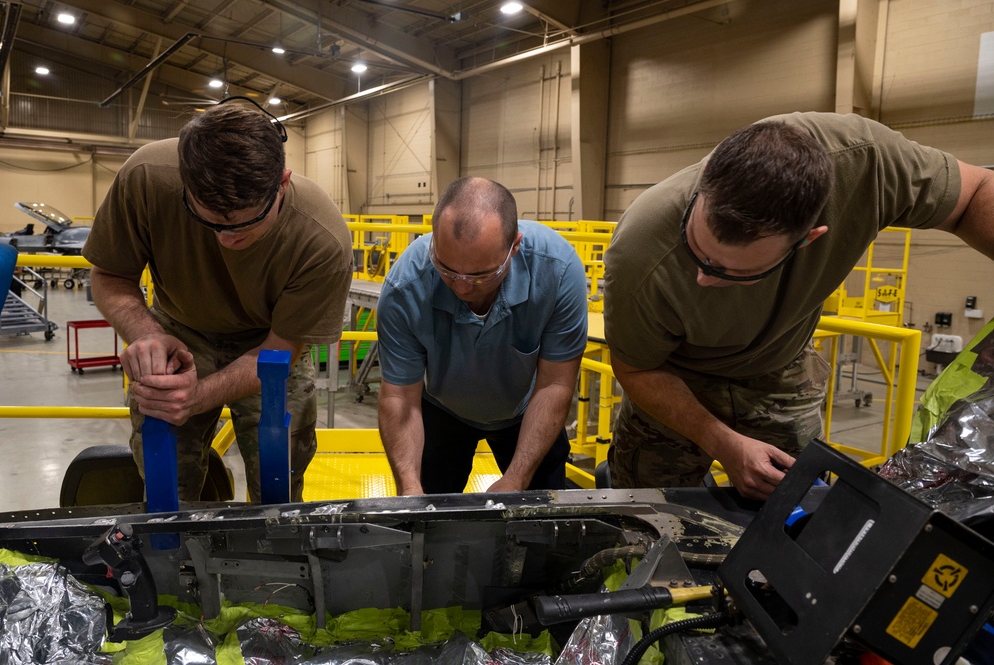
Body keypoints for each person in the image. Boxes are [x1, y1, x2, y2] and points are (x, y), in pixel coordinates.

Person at [603, 111, 994, 501]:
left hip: (781, 365)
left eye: (730, 271)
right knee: (645, 509)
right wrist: (721, 442)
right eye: (697, 250)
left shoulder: (867, 163)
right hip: (675, 375)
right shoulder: (640, 248)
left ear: (809, 240)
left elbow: (976, 190)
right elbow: (636, 366)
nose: (704, 277)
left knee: (802, 506)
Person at [82, 101, 353, 502]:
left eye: (245, 224)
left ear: (282, 182)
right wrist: (146, 334)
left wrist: (198, 397)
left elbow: (284, 345)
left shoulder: (321, 238)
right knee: (166, 476)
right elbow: (110, 275)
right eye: (208, 220)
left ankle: (270, 557)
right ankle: (179, 557)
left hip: (271, 340)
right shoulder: (147, 177)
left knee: (279, 476)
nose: (226, 239)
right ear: (183, 183)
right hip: (176, 326)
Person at [376, 177, 588, 495]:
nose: (461, 286)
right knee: (428, 515)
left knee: (542, 520)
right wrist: (409, 487)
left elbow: (554, 384)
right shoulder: (405, 287)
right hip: (441, 408)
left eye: (480, 275)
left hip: (527, 409)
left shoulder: (556, 272)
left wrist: (516, 478)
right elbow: (399, 398)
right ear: (434, 239)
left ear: (514, 247)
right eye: (447, 269)